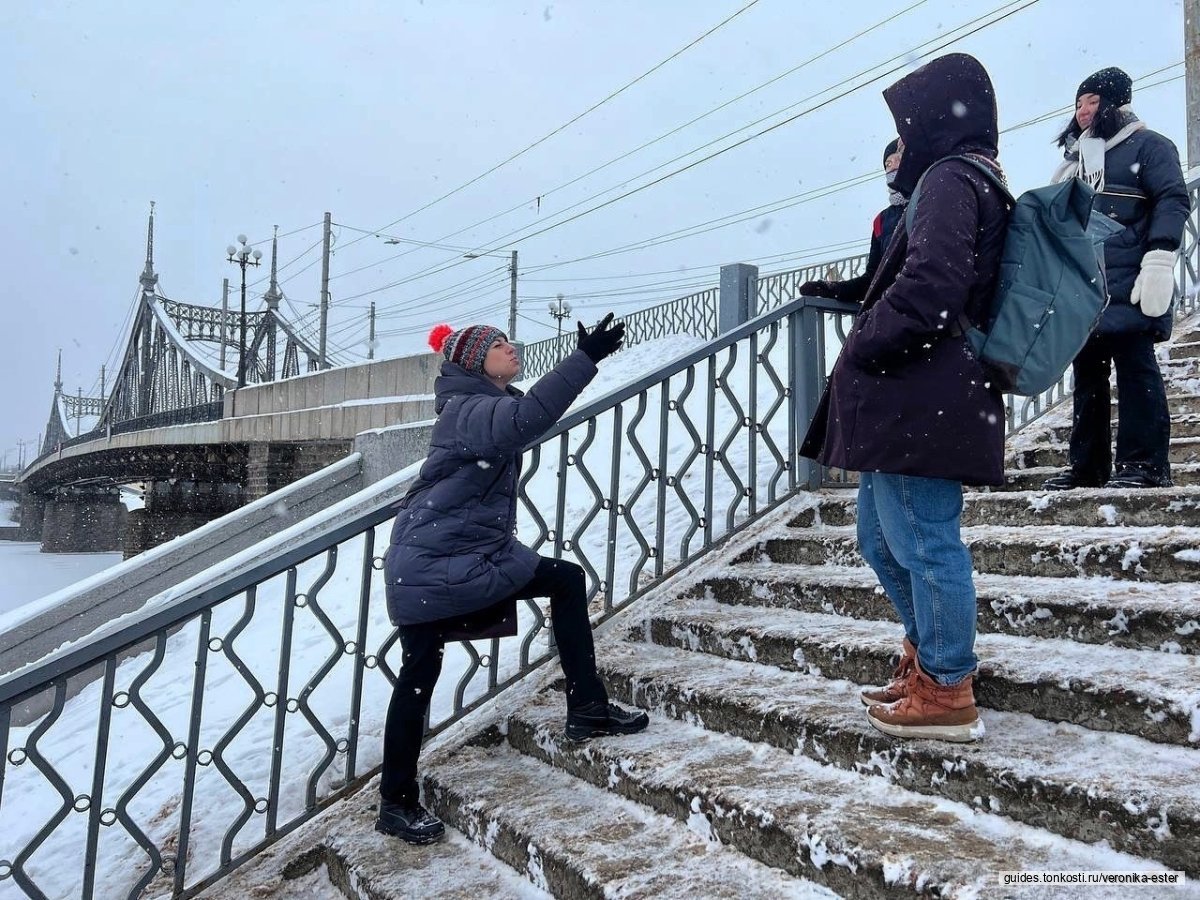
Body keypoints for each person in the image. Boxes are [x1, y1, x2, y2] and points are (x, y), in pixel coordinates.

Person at [375, 315, 649, 844]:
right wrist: (584, 359)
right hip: (435, 564)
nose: (511, 348)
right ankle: (395, 802)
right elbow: (527, 419)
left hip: (464, 556)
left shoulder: (472, 405)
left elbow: (519, 416)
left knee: (564, 582)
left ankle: (587, 708)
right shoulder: (470, 409)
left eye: (508, 341)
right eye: (499, 345)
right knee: (418, 676)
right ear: (477, 361)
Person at [801, 53, 1010, 743]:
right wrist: (855, 301)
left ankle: (949, 686)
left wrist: (865, 340)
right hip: (914, 395)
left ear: (942, 113)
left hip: (927, 392)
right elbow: (913, 276)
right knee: (879, 538)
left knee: (923, 539)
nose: (905, 133)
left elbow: (932, 286)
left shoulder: (953, 177)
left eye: (911, 117)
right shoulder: (951, 178)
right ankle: (927, 657)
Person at [1042, 67, 1191, 491]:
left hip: (1130, 276)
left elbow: (1172, 198)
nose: (1083, 111)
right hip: (1083, 285)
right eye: (1078, 103)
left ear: (1116, 104)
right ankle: (1086, 467)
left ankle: (1143, 465)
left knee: (1135, 368)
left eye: (1093, 101)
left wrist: (1160, 258)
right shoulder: (1074, 162)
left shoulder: (1151, 146)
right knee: (1087, 376)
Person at [800, 138, 907, 304]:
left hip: (932, 314)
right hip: (898, 314)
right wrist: (833, 289)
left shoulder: (930, 201)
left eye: (898, 159)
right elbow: (872, 280)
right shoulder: (882, 220)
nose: (892, 166)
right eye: (887, 163)